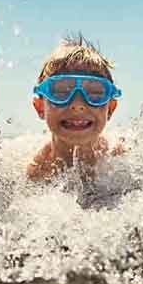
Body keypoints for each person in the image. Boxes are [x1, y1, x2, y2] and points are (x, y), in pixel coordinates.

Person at [27, 35, 122, 181]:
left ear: (110, 108)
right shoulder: (34, 173)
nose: (78, 105)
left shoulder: (120, 159)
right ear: (40, 107)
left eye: (95, 93)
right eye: (61, 92)